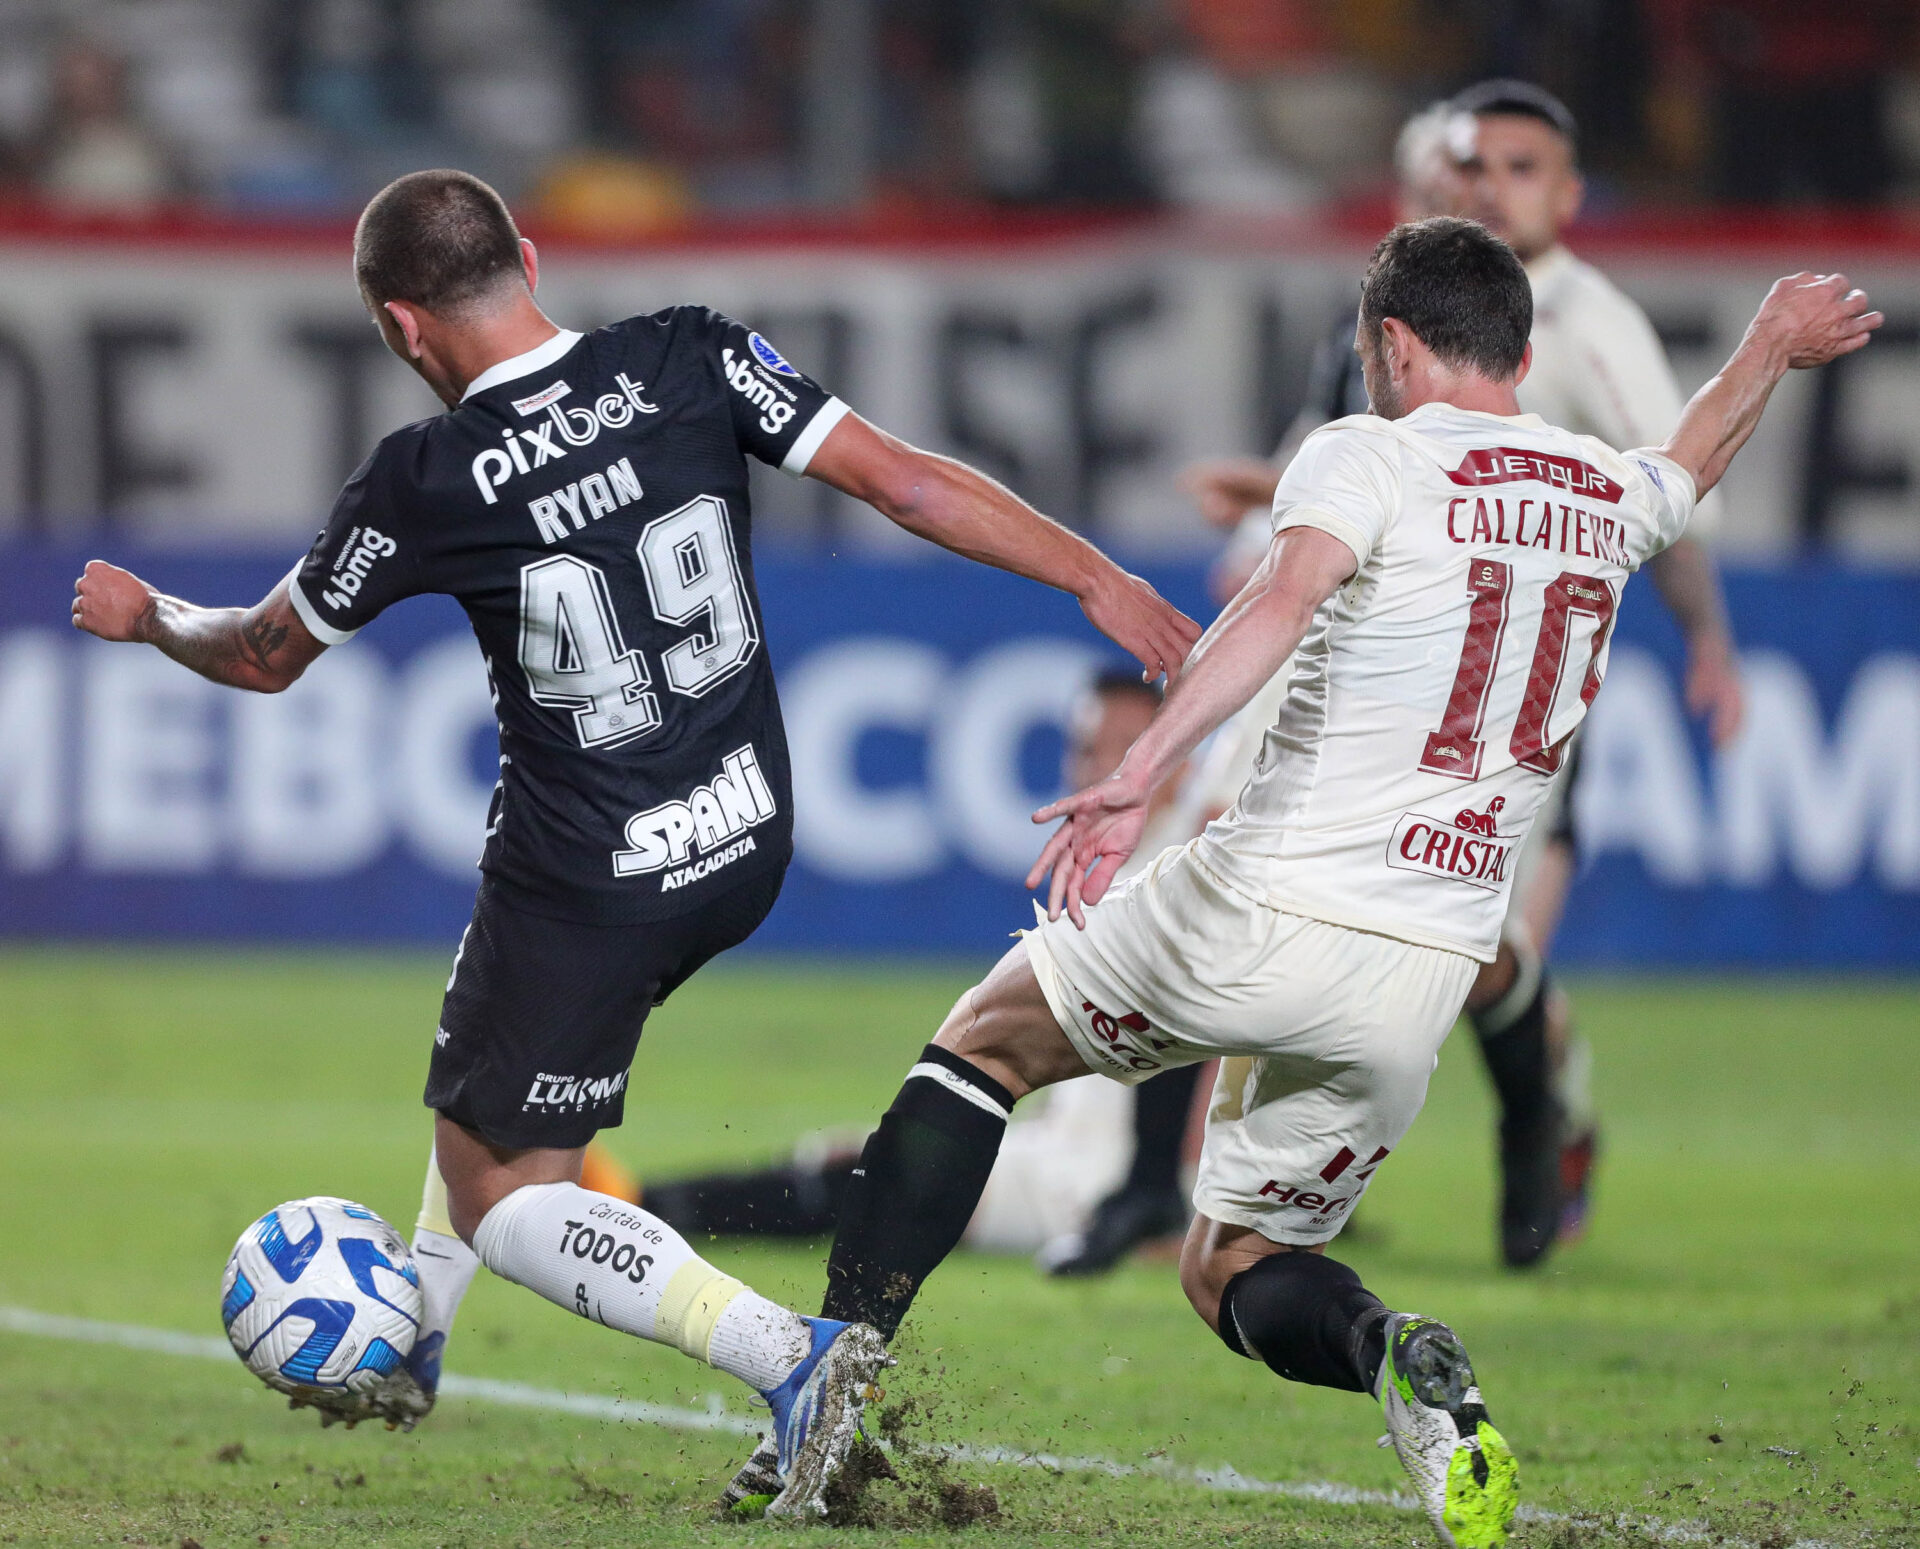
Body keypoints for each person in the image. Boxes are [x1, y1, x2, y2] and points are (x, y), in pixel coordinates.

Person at [69, 169, 1198, 1516]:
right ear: (529, 258)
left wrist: (150, 618)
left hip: (593, 869)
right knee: (479, 1070)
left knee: (502, 1196)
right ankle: (415, 1347)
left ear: (401, 331)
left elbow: (261, 655)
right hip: (747, 831)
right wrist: (1096, 574)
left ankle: (789, 1358)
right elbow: (899, 481)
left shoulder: (421, 479)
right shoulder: (688, 351)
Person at [727, 220, 1877, 1538]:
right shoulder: (1606, 492)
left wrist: (1142, 765)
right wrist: (1772, 345)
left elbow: (1277, 604)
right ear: (1524, 348)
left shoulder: (1367, 451)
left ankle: (827, 1393)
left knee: (983, 1045)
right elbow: (1692, 459)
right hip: (1423, 967)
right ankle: (1395, 1354)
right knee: (1237, 1264)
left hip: (1263, 901)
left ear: (1390, 344)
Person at [1180, 81, 1747, 1269]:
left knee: (1472, 952)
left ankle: (1540, 1118)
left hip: (1504, 692)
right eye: (1473, 163)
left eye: (1520, 167)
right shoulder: (1411, 320)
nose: (1491, 185)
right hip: (1377, 671)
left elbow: (1677, 496)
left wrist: (1708, 637)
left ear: (1569, 191)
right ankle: (1185, 1189)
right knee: (1236, 861)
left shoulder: (1595, 326)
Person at [633, 670, 1193, 1263]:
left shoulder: (1185, 872)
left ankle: (632, 1206)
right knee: (852, 1157)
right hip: (1062, 1150)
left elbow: (1223, 1043)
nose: (1098, 770)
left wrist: (1183, 1197)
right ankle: (629, 1204)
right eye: (1085, 750)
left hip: (1095, 1181)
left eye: (1125, 751)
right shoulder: (1114, 865)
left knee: (880, 1179)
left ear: (1181, 759)